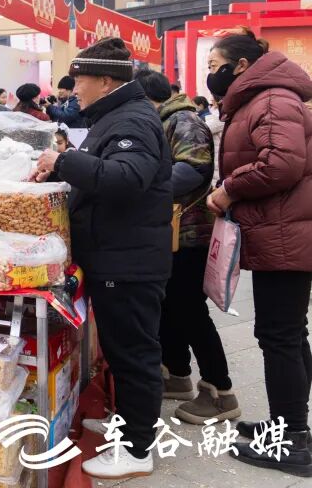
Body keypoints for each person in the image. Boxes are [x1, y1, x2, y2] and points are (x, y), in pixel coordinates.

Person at [32, 38, 172, 480]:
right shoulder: (114, 116)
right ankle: (128, 426)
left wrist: (64, 160)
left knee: (133, 353)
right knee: (120, 348)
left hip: (128, 261)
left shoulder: (133, 120)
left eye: (80, 81)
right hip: (115, 254)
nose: (74, 90)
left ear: (106, 81)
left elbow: (126, 178)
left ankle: (136, 449)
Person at [202, 30, 312, 477]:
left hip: (287, 233)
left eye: (214, 66)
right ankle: (289, 425)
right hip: (283, 229)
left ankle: (293, 441)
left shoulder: (272, 99)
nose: (211, 74)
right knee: (288, 333)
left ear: (242, 66)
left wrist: (229, 190)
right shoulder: (263, 98)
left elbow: (281, 164)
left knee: (279, 335)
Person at [134, 69, 238, 424]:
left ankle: (220, 392)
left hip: (191, 234)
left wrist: (145, 189)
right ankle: (177, 374)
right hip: (173, 233)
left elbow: (194, 170)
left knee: (191, 311)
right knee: (171, 306)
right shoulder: (166, 119)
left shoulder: (183, 120)